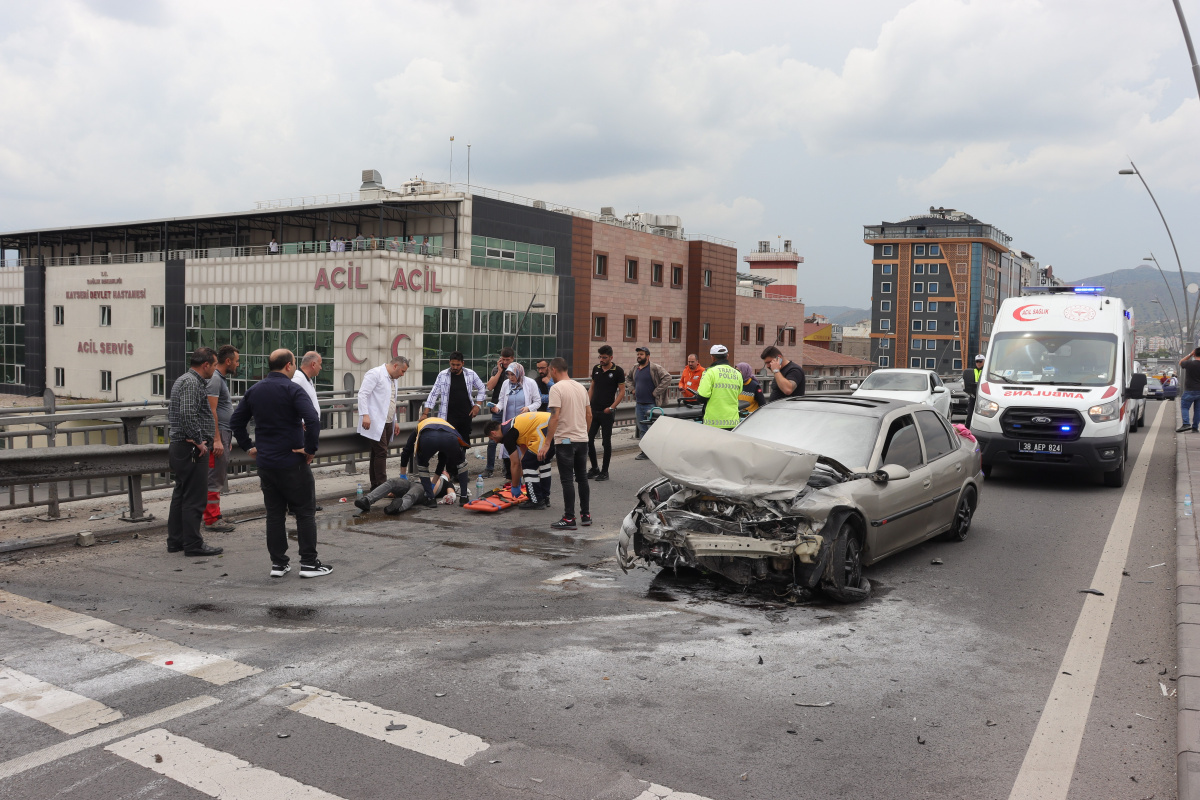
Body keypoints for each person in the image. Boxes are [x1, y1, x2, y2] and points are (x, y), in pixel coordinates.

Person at [231, 349, 327, 578]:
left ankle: (278, 564)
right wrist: (311, 449)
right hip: (292, 461)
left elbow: (236, 421)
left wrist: (248, 446)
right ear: (288, 366)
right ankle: (309, 563)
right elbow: (313, 420)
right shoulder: (293, 389)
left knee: (274, 514)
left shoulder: (254, 390)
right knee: (305, 512)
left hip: (266, 463)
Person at [166, 348, 223, 557]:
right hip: (191, 449)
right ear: (205, 365)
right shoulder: (191, 382)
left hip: (182, 446)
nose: (215, 369)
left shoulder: (185, 380)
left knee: (181, 495)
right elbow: (188, 413)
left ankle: (176, 541)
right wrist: (200, 442)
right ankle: (193, 544)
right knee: (195, 498)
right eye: (215, 365)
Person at [540, 358, 592, 530]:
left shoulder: (556, 388)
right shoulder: (580, 387)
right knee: (582, 477)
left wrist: (547, 443)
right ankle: (585, 515)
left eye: (549, 372)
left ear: (554, 370)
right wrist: (584, 432)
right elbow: (589, 415)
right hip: (582, 439)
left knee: (567, 480)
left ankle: (569, 517)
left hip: (565, 441)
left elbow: (554, 416)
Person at [202, 345, 239, 534]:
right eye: (237, 361)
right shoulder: (216, 380)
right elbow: (211, 410)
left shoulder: (219, 379)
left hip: (224, 433)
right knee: (214, 478)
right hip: (218, 435)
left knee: (217, 476)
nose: (238, 364)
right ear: (228, 361)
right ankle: (211, 519)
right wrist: (217, 439)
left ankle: (215, 515)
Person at [358, 356, 409, 490]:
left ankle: (375, 485)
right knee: (381, 452)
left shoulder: (393, 379)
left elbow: (391, 400)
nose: (402, 375)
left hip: (387, 421)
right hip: (375, 420)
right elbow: (362, 394)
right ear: (395, 366)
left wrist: (395, 421)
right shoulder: (375, 373)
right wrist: (365, 415)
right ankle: (383, 487)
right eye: (402, 371)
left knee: (376, 453)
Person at [486, 411, 553, 509]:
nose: (494, 441)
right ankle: (544, 497)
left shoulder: (508, 436)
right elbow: (524, 452)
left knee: (529, 463)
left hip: (544, 429)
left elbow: (515, 463)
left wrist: (515, 485)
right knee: (543, 462)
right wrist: (521, 475)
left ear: (493, 433)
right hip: (552, 425)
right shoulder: (512, 426)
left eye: (492, 439)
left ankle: (536, 500)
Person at [422, 351, 486, 445]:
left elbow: (481, 388)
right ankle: (444, 460)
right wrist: (425, 413)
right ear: (449, 362)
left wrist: (477, 405)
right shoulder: (442, 375)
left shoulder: (470, 374)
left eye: (458, 365)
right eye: (453, 364)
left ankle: (462, 459)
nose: (455, 367)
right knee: (447, 440)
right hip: (448, 415)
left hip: (466, 414)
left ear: (462, 363)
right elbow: (433, 393)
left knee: (464, 440)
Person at [490, 362, 541, 470]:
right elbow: (501, 401)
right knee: (510, 448)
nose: (510, 377)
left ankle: (526, 473)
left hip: (524, 423)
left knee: (523, 447)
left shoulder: (530, 383)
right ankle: (511, 476)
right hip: (509, 423)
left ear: (519, 373)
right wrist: (497, 408)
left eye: (513, 374)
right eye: (508, 374)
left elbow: (537, 402)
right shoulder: (505, 384)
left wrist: (528, 408)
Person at [411, 416, 472, 505]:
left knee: (422, 465)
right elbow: (443, 459)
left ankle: (430, 499)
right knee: (462, 464)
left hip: (428, 438)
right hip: (450, 438)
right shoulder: (445, 423)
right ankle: (463, 498)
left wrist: (403, 474)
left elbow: (407, 450)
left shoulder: (420, 425)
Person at [626, 347, 672, 459]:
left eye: (641, 354)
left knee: (652, 429)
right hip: (639, 404)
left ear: (648, 356)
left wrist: (656, 392)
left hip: (651, 404)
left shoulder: (654, 368)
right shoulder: (635, 368)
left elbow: (667, 378)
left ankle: (655, 452)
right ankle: (645, 452)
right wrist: (632, 389)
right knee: (642, 428)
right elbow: (627, 378)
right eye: (638, 354)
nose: (639, 356)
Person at [587, 345, 625, 481]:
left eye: (604, 357)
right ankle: (594, 468)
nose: (601, 360)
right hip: (594, 410)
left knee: (606, 442)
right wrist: (587, 404)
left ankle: (604, 471)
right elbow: (592, 387)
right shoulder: (596, 369)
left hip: (607, 412)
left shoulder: (618, 371)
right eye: (600, 357)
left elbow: (622, 391)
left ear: (611, 357)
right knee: (588, 440)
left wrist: (612, 407)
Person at [482, 348, 516, 478]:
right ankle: (489, 468)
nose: (506, 362)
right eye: (504, 359)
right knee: (493, 439)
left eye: (508, 360)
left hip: (511, 409)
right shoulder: (497, 370)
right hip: (497, 408)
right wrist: (500, 371)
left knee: (510, 438)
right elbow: (489, 387)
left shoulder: (516, 371)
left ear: (512, 359)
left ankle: (507, 467)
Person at [697, 345, 743, 430]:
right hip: (733, 422)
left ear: (713, 358)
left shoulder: (709, 372)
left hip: (713, 423)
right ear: (727, 356)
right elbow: (739, 392)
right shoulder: (737, 373)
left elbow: (702, 396)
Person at [292, 351, 322, 416]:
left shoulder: (307, 379)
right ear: (313, 364)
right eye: (319, 364)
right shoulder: (297, 379)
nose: (320, 368)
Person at [1178, 348, 1200, 432]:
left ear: (1194, 354)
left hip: (1190, 390)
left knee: (1185, 407)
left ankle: (1186, 424)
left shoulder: (1189, 363)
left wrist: (1190, 355)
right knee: (1198, 410)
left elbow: (1180, 362)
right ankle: (1195, 427)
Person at [963, 354, 984, 428]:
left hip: (984, 396)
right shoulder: (971, 371)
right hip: (973, 395)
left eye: (980, 361)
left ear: (984, 362)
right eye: (977, 361)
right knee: (970, 414)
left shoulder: (986, 372)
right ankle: (966, 430)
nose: (978, 363)